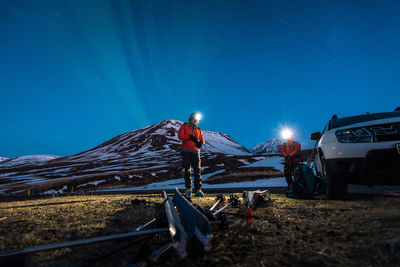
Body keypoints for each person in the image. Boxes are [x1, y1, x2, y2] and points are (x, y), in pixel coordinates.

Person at [178, 112, 205, 197]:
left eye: (197, 119)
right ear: (191, 119)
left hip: (196, 152)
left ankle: (198, 189)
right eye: (195, 119)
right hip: (185, 151)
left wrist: (201, 143)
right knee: (187, 170)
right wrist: (189, 137)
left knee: (197, 170)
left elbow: (202, 140)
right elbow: (180, 136)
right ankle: (188, 189)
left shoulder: (199, 129)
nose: (196, 121)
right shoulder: (184, 126)